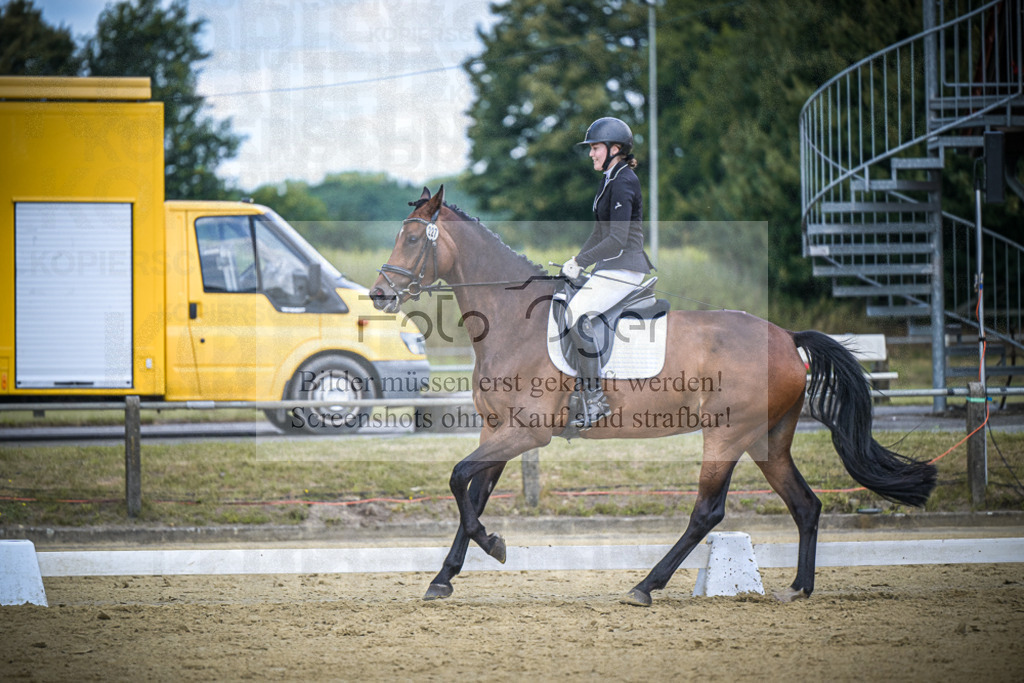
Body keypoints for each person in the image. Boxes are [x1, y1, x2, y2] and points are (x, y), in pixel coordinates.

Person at [560, 116, 654, 429]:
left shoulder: (625, 180)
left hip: (626, 266)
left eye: (596, 148)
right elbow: (600, 233)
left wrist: (583, 262)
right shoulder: (609, 179)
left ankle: (595, 397)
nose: (591, 154)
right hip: (611, 265)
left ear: (615, 148)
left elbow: (617, 239)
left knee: (575, 313)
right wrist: (576, 259)